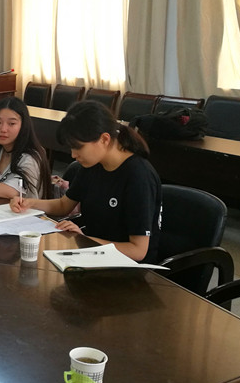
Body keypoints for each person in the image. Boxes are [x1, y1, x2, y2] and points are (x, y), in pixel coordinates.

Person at [10, 100, 162, 263]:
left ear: (104, 139)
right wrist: (29, 203)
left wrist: (85, 240)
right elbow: (64, 205)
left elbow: (137, 251)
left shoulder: (139, 177)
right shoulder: (92, 165)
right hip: (92, 255)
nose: (73, 155)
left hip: (128, 267)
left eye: (78, 147)